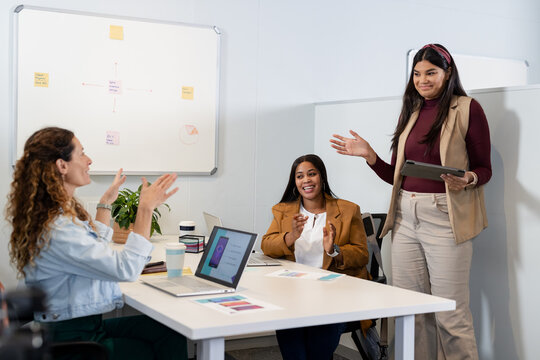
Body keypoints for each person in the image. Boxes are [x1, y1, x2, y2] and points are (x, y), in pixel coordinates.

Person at [330, 44, 491, 360]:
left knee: (451, 314)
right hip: (404, 216)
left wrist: (467, 178)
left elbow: (485, 168)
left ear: (447, 73)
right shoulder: (412, 111)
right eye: (417, 74)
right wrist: (370, 156)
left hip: (445, 216)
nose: (423, 80)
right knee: (413, 312)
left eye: (431, 72)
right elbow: (397, 175)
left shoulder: (468, 108)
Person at [6, 127, 188, 360]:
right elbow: (126, 268)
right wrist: (145, 209)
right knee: (154, 346)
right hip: (72, 341)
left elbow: (91, 250)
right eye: (82, 153)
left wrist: (104, 204)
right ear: (62, 166)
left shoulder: (53, 217)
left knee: (169, 331)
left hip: (77, 328)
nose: (89, 160)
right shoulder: (58, 229)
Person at [261, 154, 370, 360]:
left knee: (318, 348)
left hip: (334, 293)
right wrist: (291, 236)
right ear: (295, 182)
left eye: (312, 174)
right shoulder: (283, 211)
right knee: (293, 345)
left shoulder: (348, 210)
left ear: (322, 177)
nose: (306, 180)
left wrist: (334, 250)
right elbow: (266, 244)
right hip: (293, 292)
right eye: (300, 176)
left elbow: (362, 255)